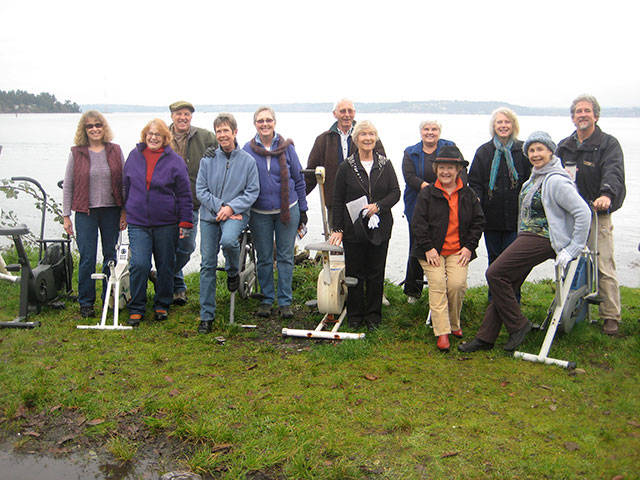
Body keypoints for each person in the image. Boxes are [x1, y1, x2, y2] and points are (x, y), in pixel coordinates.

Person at [460, 132, 591, 353]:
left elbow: (582, 212)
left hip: (544, 238)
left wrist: (573, 248)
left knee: (495, 273)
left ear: (550, 151)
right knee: (507, 282)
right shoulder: (535, 178)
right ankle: (486, 338)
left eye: (540, 149)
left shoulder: (557, 180)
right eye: (531, 150)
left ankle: (519, 325)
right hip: (528, 237)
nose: (535, 154)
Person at [556, 94, 626, 336]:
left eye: (587, 111)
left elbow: (613, 172)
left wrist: (606, 195)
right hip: (570, 217)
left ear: (595, 115)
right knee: (569, 261)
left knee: (603, 263)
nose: (582, 115)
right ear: (573, 117)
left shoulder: (608, 144)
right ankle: (569, 310)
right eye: (578, 111)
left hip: (597, 213)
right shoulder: (564, 146)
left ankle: (610, 315)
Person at [411, 145, 484, 351]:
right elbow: (418, 223)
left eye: (450, 168)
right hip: (430, 251)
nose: (446, 172)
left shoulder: (468, 194)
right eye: (442, 167)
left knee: (457, 285)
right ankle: (442, 332)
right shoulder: (427, 194)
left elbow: (478, 222)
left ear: (458, 170)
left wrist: (469, 247)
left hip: (458, 250)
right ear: (436, 169)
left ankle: (454, 323)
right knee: (437, 285)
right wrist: (428, 248)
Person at [329, 120, 400, 329]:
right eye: (363, 135)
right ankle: (355, 315)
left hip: (380, 227)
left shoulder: (385, 164)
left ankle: (373, 316)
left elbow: (396, 192)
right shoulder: (346, 166)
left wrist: (379, 206)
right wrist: (338, 229)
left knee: (376, 272)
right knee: (355, 271)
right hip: (353, 229)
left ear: (375, 138)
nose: (367, 138)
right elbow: (337, 199)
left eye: (371, 134)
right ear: (356, 139)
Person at [123, 119, 193, 326]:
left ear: (165, 138)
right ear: (145, 136)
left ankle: (162, 303)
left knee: (165, 265)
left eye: (158, 135)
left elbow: (184, 195)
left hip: (167, 222)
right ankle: (136, 306)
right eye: (150, 134)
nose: (153, 137)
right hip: (138, 222)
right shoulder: (134, 156)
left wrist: (185, 222)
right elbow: (124, 186)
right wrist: (124, 211)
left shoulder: (175, 161)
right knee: (140, 264)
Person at [196, 113, 259, 334]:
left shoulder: (247, 161)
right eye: (219, 131)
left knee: (230, 242)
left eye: (226, 130)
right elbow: (200, 190)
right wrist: (220, 206)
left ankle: (233, 271)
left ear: (234, 132)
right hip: (210, 216)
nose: (222, 135)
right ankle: (206, 316)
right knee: (207, 264)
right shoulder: (208, 160)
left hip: (236, 215)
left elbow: (252, 192)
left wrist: (231, 208)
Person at [243, 107, 308, 319]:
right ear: (255, 124)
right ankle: (267, 299)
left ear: (275, 122)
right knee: (263, 257)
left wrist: (303, 209)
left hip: (287, 210)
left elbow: (299, 179)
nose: (265, 124)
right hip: (259, 212)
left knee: (285, 257)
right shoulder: (247, 149)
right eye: (260, 121)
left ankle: (285, 301)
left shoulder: (287, 147)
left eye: (268, 120)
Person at [62, 111, 126, 318]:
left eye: (98, 125)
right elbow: (68, 185)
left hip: (111, 211)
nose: (95, 129)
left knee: (111, 257)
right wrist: (65, 216)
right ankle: (86, 302)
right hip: (85, 212)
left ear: (104, 127)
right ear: (84, 129)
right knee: (87, 257)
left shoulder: (115, 151)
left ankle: (109, 298)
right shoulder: (76, 153)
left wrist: (124, 211)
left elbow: (125, 183)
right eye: (90, 126)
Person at [468, 108, 531, 300]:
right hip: (491, 218)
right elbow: (475, 182)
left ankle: (513, 303)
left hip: (516, 218)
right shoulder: (484, 151)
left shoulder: (523, 150)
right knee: (495, 262)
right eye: (499, 123)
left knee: (513, 263)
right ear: (493, 127)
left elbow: (531, 181)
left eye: (507, 122)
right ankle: (494, 303)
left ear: (513, 126)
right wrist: (477, 200)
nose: (503, 126)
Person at [402, 120, 462, 304]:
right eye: (426, 129)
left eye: (434, 129)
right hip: (417, 203)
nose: (430, 132)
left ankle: (447, 285)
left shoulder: (450, 147)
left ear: (439, 131)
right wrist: (429, 188)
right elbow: (409, 176)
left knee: (445, 242)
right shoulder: (410, 151)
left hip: (447, 201)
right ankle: (413, 290)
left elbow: (461, 171)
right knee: (417, 244)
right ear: (421, 132)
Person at [305, 99, 385, 227]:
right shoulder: (323, 140)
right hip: (335, 204)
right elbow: (311, 174)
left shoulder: (368, 136)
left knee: (363, 242)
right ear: (335, 114)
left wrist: (380, 202)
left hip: (364, 203)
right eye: (342, 111)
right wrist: (297, 198)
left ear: (354, 113)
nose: (346, 115)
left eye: (350, 111)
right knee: (336, 240)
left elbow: (381, 169)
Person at [168, 101, 217, 306]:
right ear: (172, 116)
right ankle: (178, 287)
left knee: (187, 246)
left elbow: (228, 145)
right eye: (179, 114)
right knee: (170, 245)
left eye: (186, 114)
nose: (183, 118)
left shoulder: (204, 136)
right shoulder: (161, 135)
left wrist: (213, 152)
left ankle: (163, 274)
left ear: (191, 117)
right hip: (166, 202)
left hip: (193, 201)